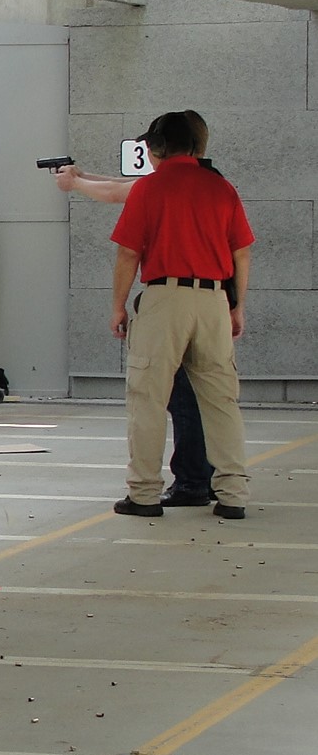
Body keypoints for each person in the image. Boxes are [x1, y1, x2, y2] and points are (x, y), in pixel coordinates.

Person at [57, 111, 216, 506]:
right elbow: (127, 186)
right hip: (211, 301)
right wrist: (83, 176)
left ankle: (181, 481)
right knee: (209, 397)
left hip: (169, 300)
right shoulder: (210, 182)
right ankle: (219, 484)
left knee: (166, 397)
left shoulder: (164, 184)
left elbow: (123, 204)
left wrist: (76, 184)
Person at [104, 111, 251, 518]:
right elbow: (241, 251)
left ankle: (145, 494)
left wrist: (118, 305)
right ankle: (233, 494)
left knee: (148, 397)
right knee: (221, 399)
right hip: (214, 301)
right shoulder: (222, 188)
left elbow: (128, 252)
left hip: (164, 298)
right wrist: (236, 305)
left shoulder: (149, 190)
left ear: (160, 147)